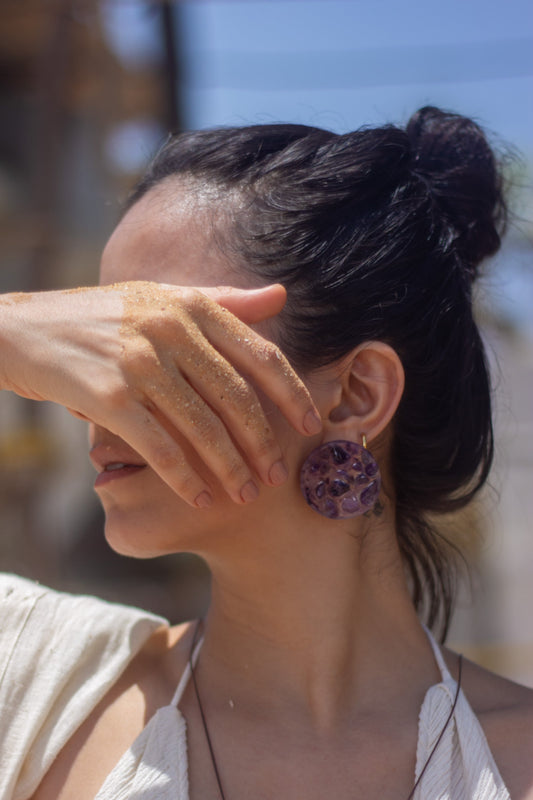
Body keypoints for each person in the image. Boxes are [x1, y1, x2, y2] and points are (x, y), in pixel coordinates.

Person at [0, 106, 532, 800]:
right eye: (94, 339)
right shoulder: (31, 676)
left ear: (354, 397)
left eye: (160, 342)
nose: (96, 392)